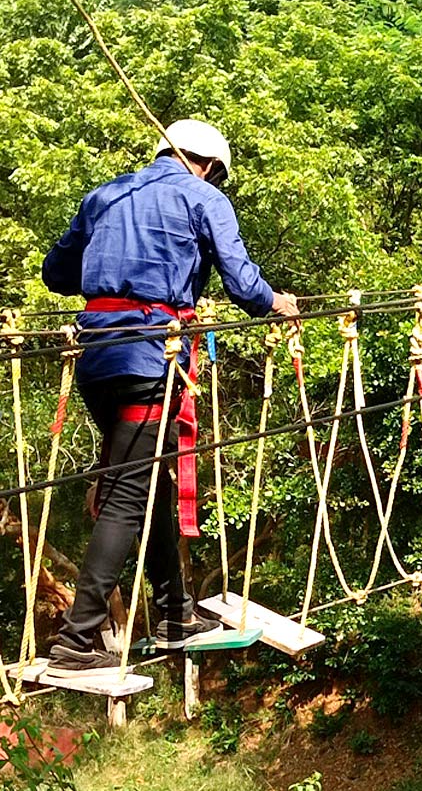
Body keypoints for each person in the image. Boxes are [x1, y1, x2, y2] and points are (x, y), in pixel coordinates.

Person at [41, 119, 299, 677]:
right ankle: (77, 638)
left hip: (96, 358)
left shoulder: (106, 193)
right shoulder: (204, 198)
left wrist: (111, 263)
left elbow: (56, 273)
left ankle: (175, 613)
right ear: (208, 164)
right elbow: (241, 284)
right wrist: (275, 301)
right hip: (150, 360)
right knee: (131, 493)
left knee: (149, 479)